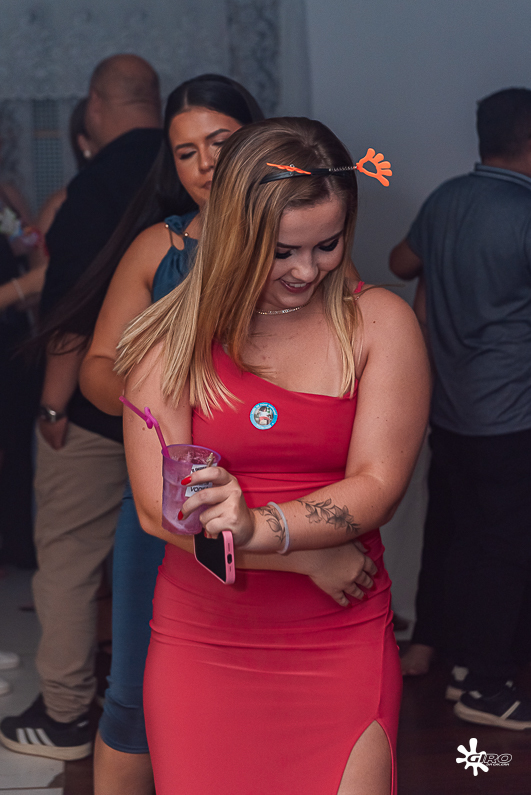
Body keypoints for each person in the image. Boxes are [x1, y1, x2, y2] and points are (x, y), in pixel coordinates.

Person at [117, 117, 430, 794]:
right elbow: (156, 512)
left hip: (340, 636)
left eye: (327, 244)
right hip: (205, 643)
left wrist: (261, 526)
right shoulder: (172, 342)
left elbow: (378, 482)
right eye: (283, 251)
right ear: (236, 234)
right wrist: (306, 556)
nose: (306, 270)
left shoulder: (379, 323)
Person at [78, 74, 263, 795]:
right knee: (134, 694)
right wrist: (156, 397)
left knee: (251, 689)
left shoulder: (300, 241)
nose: (205, 164)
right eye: (186, 152)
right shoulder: (160, 246)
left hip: (272, 490)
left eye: (221, 142)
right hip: (166, 498)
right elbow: (98, 366)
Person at [0, 54, 162, 760]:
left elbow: (68, 307)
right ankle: (158, 701)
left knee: (68, 557)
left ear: (95, 105)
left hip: (98, 406)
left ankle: (67, 711)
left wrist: (51, 406)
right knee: (169, 557)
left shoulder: (91, 189)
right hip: (183, 405)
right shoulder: (194, 175)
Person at [390, 87, 531, 728]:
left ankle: (434, 649)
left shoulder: (447, 198)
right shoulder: (524, 212)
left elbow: (400, 261)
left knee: (452, 533)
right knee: (504, 548)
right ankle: (484, 684)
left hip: (448, 409)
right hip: (510, 415)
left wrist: (446, 268)